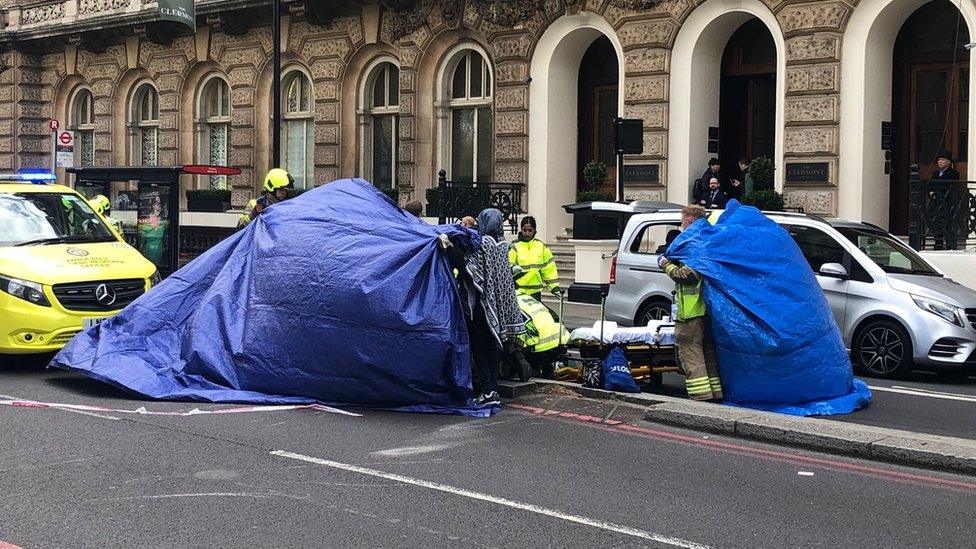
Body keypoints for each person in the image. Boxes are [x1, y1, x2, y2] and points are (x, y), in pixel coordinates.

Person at [441, 208, 525, 406]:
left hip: (480, 305)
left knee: (479, 348)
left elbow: (467, 266)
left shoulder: (484, 244)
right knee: (492, 346)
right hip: (497, 308)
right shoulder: (504, 244)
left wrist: (449, 247)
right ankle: (493, 389)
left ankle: (487, 391)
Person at [658, 205, 723, 402]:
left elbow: (686, 275)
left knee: (690, 352)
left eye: (683, 221)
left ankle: (701, 396)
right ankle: (715, 392)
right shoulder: (709, 240)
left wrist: (665, 264)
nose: (681, 225)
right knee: (707, 352)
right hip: (708, 311)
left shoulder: (694, 244)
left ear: (691, 221)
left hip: (691, 311)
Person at [509, 215, 561, 302]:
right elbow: (507, 263)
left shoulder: (541, 247)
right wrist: (512, 268)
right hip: (517, 292)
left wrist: (554, 288)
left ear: (534, 231)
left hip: (535, 293)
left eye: (530, 230)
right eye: (524, 230)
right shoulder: (514, 246)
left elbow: (549, 269)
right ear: (521, 230)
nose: (527, 233)